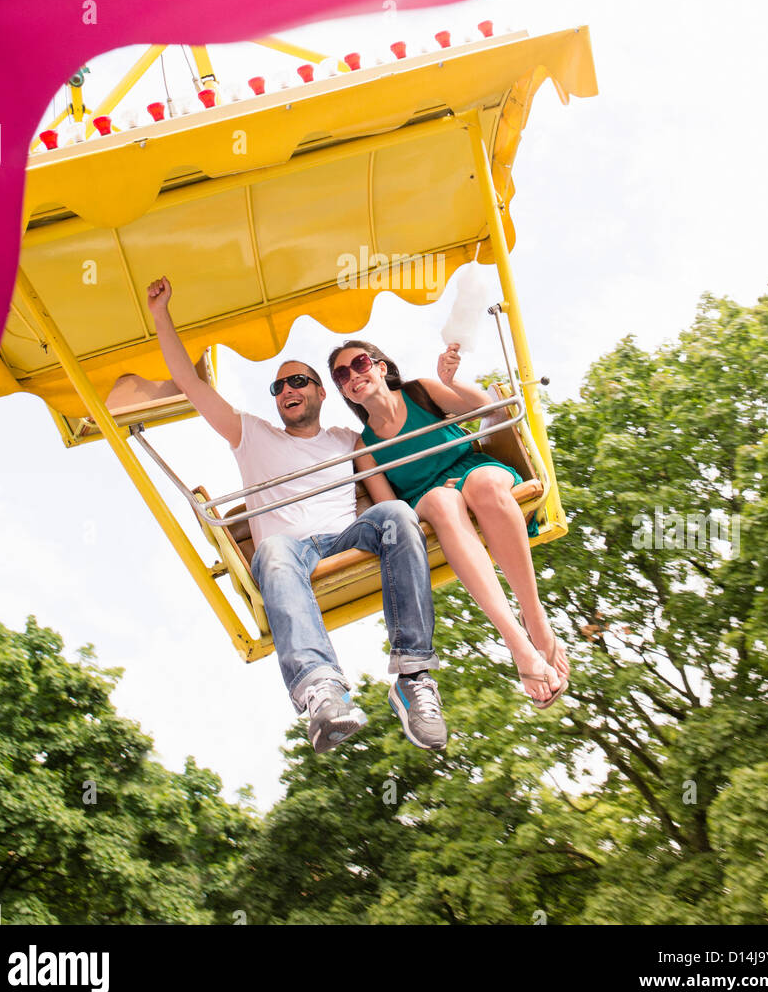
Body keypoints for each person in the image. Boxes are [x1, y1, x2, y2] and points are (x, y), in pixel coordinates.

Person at [146, 277, 446, 754]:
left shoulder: (346, 441)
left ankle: (413, 676)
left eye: (298, 380)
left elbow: (389, 498)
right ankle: (321, 689)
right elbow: (188, 382)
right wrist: (161, 314)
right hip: (291, 551)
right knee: (276, 550)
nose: (287, 388)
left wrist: (437, 502)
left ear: (322, 393)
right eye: (278, 384)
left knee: (393, 515)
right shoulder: (250, 433)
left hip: (347, 536)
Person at [329, 338, 570, 708]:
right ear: (344, 390)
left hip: (470, 470)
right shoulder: (365, 448)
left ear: (380, 366)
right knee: (444, 501)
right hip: (427, 498)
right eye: (342, 375)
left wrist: (452, 382)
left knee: (486, 485)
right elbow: (393, 509)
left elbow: (487, 409)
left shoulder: (421, 392)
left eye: (359, 363)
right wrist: (443, 491)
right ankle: (518, 644)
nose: (353, 376)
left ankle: (534, 616)